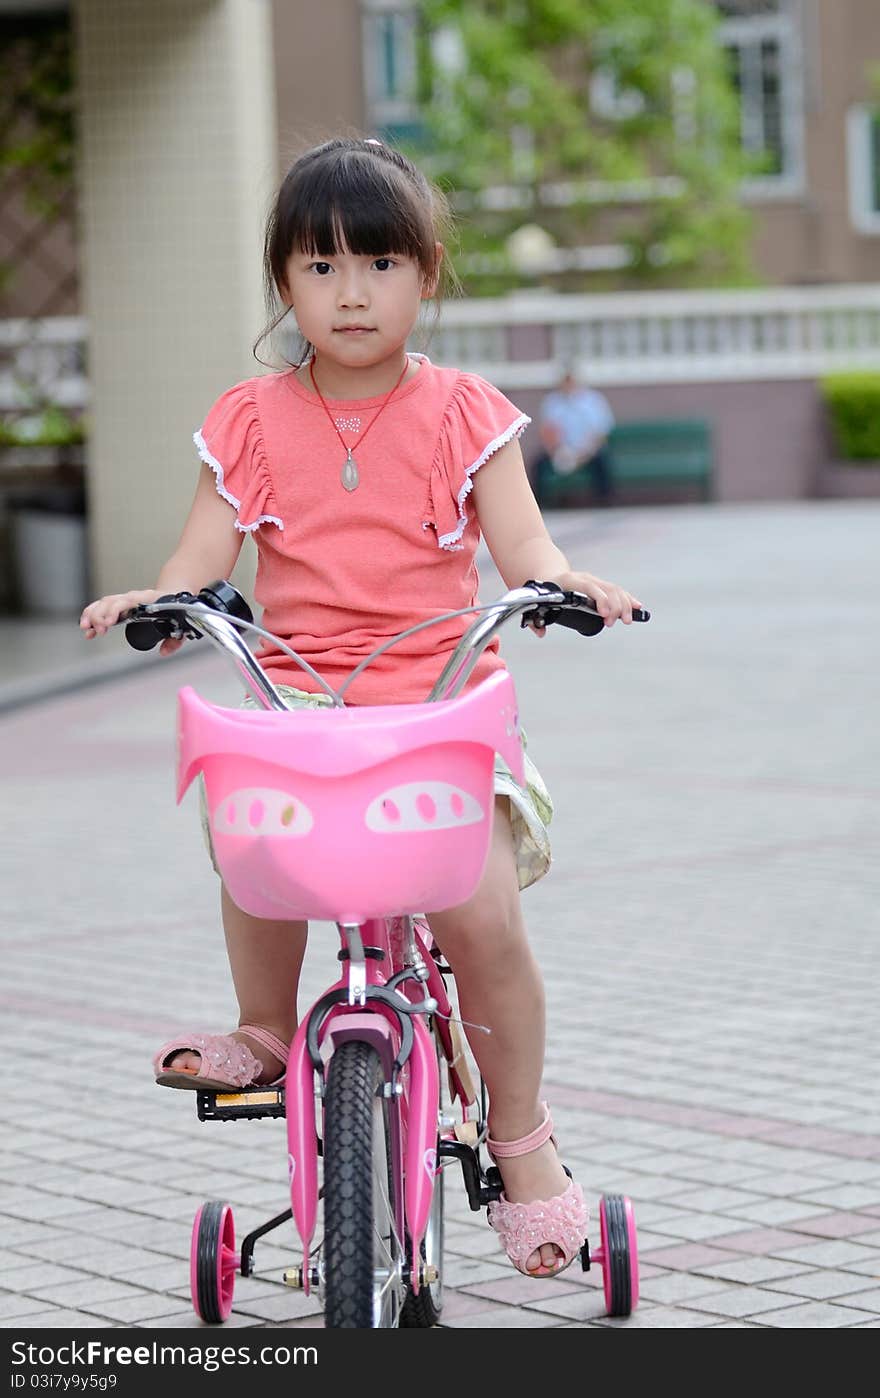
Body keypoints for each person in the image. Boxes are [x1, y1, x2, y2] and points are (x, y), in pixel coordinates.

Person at [80, 137, 642, 1280]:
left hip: (437, 706)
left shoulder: (462, 413)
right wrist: (160, 595)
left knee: (478, 917)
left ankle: (523, 1140)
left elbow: (522, 538)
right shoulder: (247, 417)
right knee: (257, 842)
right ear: (283, 283)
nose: (350, 291)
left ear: (426, 273)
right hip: (297, 699)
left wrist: (559, 580)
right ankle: (265, 1028)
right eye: (320, 265)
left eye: (379, 262)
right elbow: (200, 554)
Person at [532, 370, 615, 507]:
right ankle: (540, 504)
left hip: (588, 451)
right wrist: (557, 452)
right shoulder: (552, 402)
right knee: (538, 464)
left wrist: (584, 454)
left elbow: (601, 433)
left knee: (602, 462)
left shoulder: (593, 400)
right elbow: (547, 432)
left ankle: (604, 503)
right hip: (560, 450)